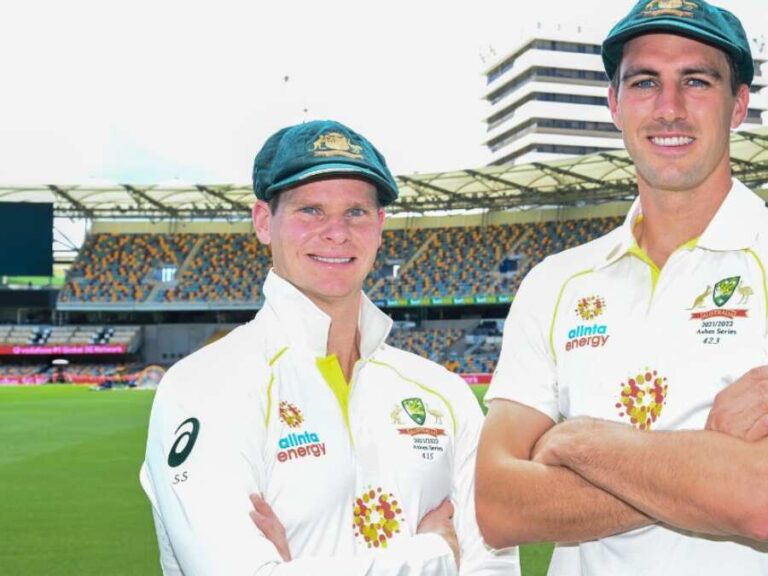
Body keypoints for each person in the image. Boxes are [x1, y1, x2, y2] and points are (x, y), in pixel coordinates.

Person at [475, 1, 768, 574]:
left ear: (738, 104)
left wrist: (579, 443)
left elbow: (765, 501)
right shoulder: (554, 282)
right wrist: (710, 444)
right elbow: (497, 508)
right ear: (614, 104)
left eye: (696, 81)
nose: (669, 108)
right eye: (645, 82)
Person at [140, 120, 518, 575]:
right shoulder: (204, 386)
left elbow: (493, 567)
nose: (337, 232)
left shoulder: (445, 394)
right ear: (264, 221)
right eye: (310, 210)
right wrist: (433, 556)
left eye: (356, 211)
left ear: (380, 225)